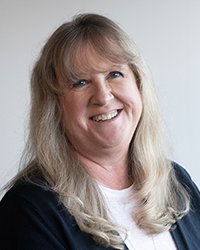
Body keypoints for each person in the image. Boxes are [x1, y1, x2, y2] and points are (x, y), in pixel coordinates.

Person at [0, 13, 200, 250]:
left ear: (138, 85)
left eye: (114, 74)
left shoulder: (175, 182)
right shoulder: (29, 211)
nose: (103, 96)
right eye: (80, 82)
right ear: (54, 107)